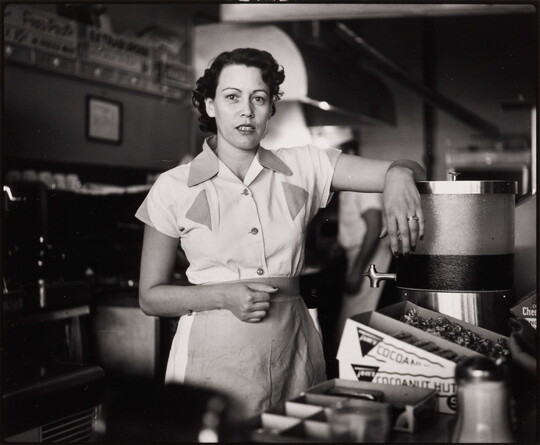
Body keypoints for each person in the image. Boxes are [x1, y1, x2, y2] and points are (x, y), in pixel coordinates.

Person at [135, 47, 425, 420]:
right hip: (211, 359)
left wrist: (399, 176)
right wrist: (223, 296)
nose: (246, 110)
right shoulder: (173, 186)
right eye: (232, 97)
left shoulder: (304, 165)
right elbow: (150, 297)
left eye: (259, 98)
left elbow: (409, 167)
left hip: (294, 351)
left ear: (271, 108)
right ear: (209, 105)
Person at [335, 140, 393, 341]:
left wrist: (356, 271)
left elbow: (374, 226)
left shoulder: (357, 185)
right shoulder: (347, 185)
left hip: (370, 255)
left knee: (355, 324)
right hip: (361, 253)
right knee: (354, 323)